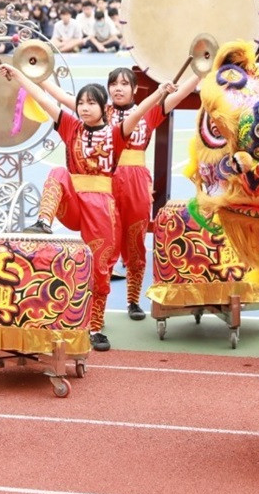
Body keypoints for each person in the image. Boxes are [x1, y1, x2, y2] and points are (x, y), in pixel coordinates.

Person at [7, 64, 175, 352]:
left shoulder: (116, 134)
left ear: (103, 108)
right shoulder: (70, 127)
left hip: (101, 209)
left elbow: (139, 113)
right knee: (58, 174)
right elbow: (45, 98)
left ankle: (95, 327)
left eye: (90, 103)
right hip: (75, 204)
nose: (84, 108)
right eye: (81, 103)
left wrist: (159, 92)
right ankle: (43, 221)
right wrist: (19, 73)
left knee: (100, 270)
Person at [41, 68, 199, 322]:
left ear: (135, 89)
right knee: (106, 243)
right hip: (106, 183)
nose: (118, 88)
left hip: (135, 182)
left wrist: (200, 72)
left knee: (135, 240)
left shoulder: (147, 112)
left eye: (124, 84)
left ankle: (133, 300)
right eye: (113, 84)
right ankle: (94, 310)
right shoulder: (99, 111)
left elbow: (181, 94)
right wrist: (38, 76)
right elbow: (62, 97)